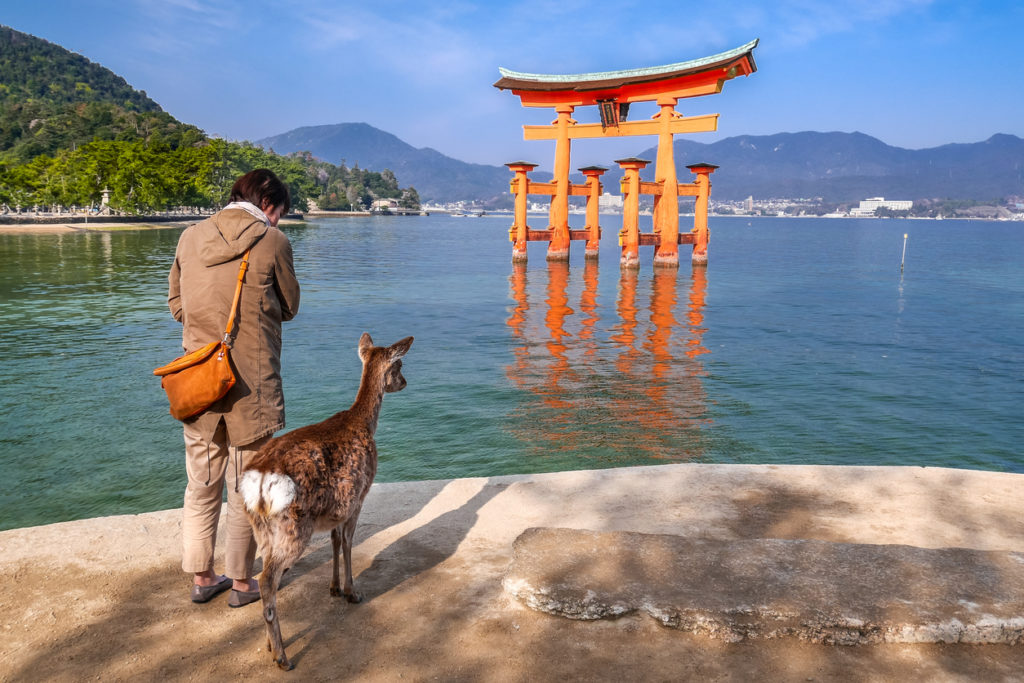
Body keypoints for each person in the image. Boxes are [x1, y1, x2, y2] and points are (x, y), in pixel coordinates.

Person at [167, 168, 300, 607]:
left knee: (201, 484)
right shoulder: (273, 241)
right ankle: (243, 583)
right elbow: (291, 305)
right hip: (253, 388)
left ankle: (203, 577)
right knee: (249, 488)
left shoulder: (189, 237)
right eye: (279, 212)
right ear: (268, 205)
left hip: (197, 382)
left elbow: (176, 305)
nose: (277, 220)